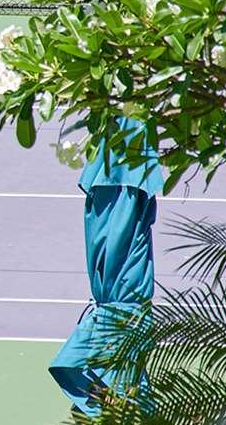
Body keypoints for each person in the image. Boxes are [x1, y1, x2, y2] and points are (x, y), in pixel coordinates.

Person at [49, 119, 172, 403]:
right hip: (124, 311)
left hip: (117, 307)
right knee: (125, 397)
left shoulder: (109, 205)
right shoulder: (129, 202)